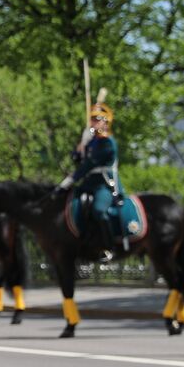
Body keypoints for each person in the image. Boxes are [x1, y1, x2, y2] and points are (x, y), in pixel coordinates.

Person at [58, 94, 121, 257]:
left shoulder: (107, 142)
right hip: (88, 183)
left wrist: (70, 179)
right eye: (92, 119)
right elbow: (77, 158)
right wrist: (82, 145)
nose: (93, 122)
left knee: (99, 210)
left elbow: (89, 164)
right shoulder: (92, 141)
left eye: (97, 119)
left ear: (106, 121)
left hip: (104, 184)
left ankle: (109, 246)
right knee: (69, 204)